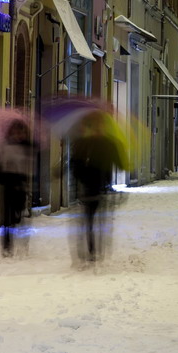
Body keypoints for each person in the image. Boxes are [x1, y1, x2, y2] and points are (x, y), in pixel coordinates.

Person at [68, 111, 123, 264]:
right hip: (87, 186)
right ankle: (91, 250)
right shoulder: (82, 144)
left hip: (102, 186)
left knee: (98, 220)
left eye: (101, 125)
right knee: (89, 220)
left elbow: (118, 163)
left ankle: (95, 249)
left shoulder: (109, 143)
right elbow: (75, 165)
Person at [0, 119, 34, 257]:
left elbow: (30, 167)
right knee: (7, 218)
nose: (17, 134)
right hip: (7, 185)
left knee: (18, 216)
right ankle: (7, 247)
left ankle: (22, 243)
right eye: (15, 131)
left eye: (20, 132)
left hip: (20, 186)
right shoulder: (4, 146)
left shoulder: (28, 147)